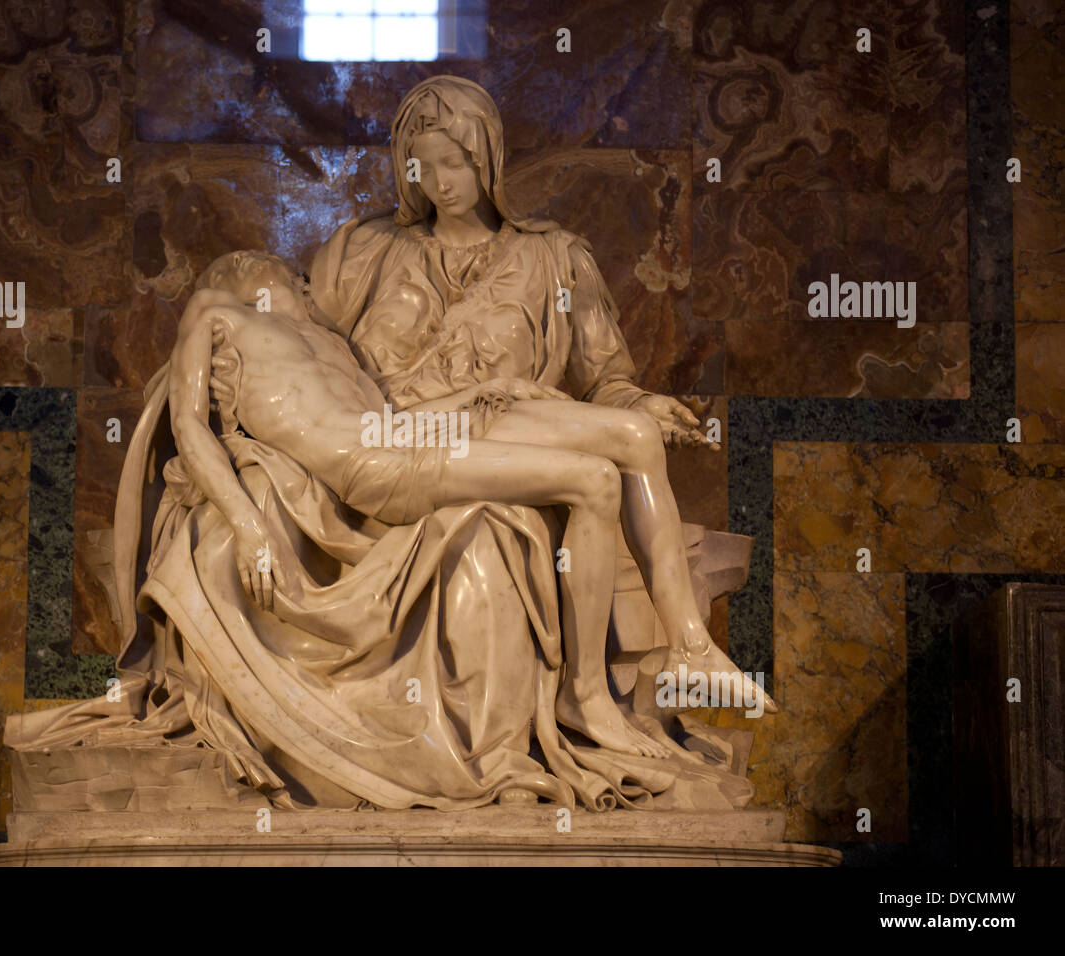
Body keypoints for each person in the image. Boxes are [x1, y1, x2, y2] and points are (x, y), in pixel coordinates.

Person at [170, 250, 773, 758]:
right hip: (376, 467)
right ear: (253, 273)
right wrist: (248, 525)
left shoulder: (327, 343)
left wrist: (484, 393)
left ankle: (694, 647)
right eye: (293, 278)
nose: (306, 287)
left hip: (401, 438)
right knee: (593, 482)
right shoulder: (217, 312)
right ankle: (585, 696)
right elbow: (189, 426)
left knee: (631, 436)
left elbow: (387, 420)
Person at [310, 75, 770, 715]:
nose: (440, 183)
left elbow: (603, 378)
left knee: (634, 434)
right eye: (424, 167)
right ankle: (617, 683)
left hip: (503, 425)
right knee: (578, 472)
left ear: (488, 159)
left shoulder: (555, 259)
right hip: (404, 437)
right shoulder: (363, 253)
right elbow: (303, 352)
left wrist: (638, 403)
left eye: (456, 163)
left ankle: (691, 649)